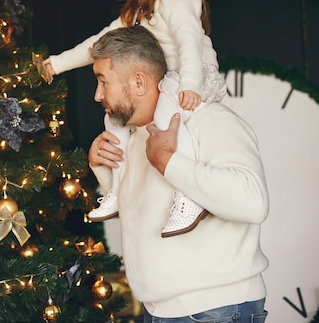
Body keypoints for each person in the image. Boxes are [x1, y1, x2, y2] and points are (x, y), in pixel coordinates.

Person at [43, 0, 227, 237]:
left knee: (171, 118)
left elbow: (189, 43)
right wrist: (57, 64)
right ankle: (116, 188)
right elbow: (100, 43)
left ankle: (190, 196)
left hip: (191, 76)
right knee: (114, 118)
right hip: (162, 79)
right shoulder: (137, 12)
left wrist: (191, 84)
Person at [88, 25, 269, 322]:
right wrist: (102, 168)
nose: (97, 95)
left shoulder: (209, 120)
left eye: (103, 81)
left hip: (213, 311)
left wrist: (169, 162)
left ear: (138, 81)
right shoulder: (140, 137)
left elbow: (253, 201)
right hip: (160, 311)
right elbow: (142, 216)